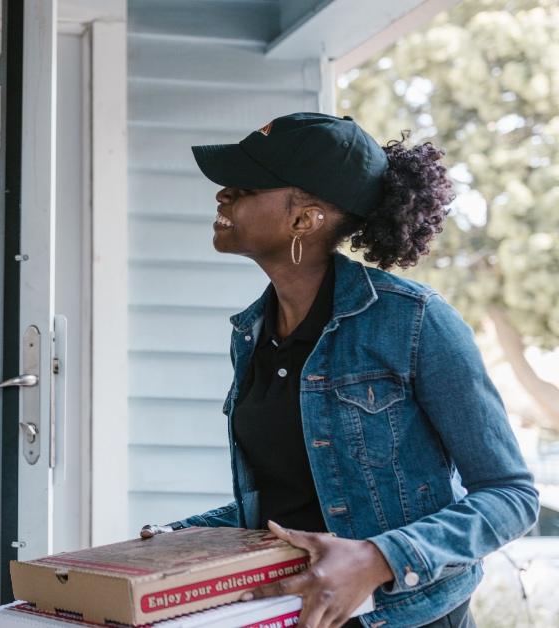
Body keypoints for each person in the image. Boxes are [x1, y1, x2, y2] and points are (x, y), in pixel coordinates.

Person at [158, 112, 539, 627]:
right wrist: (176, 540)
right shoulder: (252, 333)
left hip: (409, 617)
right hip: (297, 614)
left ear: (305, 219)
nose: (223, 194)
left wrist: (379, 558)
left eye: (245, 186)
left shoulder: (415, 322)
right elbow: (292, 502)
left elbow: (511, 496)